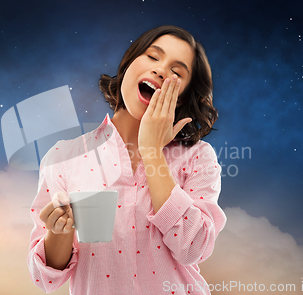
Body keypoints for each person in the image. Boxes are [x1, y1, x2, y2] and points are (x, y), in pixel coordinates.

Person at [28, 25, 227, 295]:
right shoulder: (64, 157)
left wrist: (152, 150)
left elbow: (193, 248)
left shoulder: (198, 157)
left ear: (182, 98)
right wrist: (59, 231)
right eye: (153, 57)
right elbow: (45, 279)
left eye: (177, 72)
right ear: (128, 64)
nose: (160, 70)